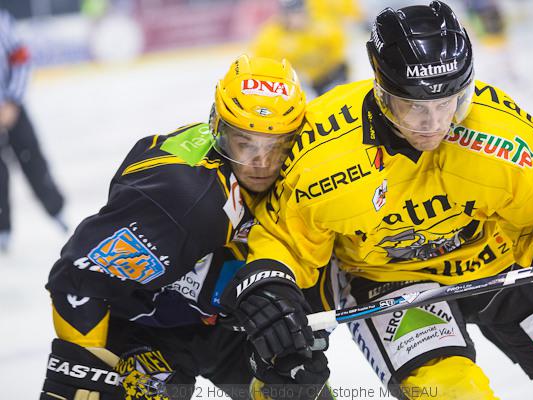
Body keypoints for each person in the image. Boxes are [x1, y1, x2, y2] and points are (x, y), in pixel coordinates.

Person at [223, 2, 533, 399]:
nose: (434, 124)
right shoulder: (319, 152)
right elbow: (285, 238)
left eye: (448, 102)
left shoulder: (504, 134)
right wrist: (270, 286)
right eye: (415, 107)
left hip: (501, 260)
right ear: (381, 89)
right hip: (390, 284)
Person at [39, 55, 330, 400]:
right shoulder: (184, 200)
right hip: (143, 329)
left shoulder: (310, 175)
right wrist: (84, 369)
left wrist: (295, 326)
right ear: (218, 128)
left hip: (226, 325)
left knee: (301, 390)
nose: (262, 164)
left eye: (278, 146)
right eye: (245, 144)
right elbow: (78, 277)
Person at [0, 9, 65, 252]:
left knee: (32, 157)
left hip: (11, 106)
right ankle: (2, 229)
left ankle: (57, 210)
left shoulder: (2, 20)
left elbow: (20, 57)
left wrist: (12, 102)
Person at [251, 0, 348, 97]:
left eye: (300, 12)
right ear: (283, 16)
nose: (298, 18)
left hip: (324, 79)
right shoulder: (271, 37)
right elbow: (263, 66)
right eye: (292, 14)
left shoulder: (324, 28)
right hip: (292, 83)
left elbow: (338, 58)